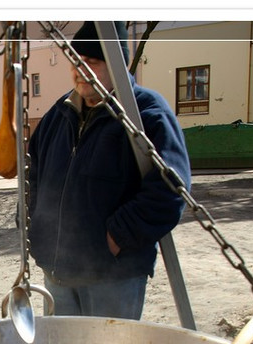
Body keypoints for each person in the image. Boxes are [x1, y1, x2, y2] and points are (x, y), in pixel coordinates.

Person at [27, 21, 191, 320]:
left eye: (92, 62)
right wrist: (35, 228)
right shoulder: (58, 114)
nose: (81, 69)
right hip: (57, 273)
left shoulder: (146, 113)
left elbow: (170, 191)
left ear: (119, 63)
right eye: (76, 61)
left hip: (113, 276)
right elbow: (33, 176)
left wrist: (114, 239)